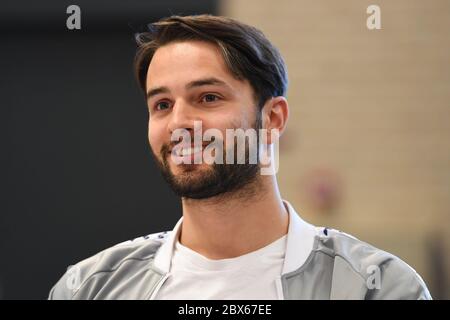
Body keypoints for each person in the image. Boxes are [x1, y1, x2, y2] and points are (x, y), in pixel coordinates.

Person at [48, 14, 431, 300]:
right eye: (162, 104)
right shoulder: (89, 288)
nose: (180, 122)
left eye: (208, 97)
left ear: (273, 118)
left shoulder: (377, 288)